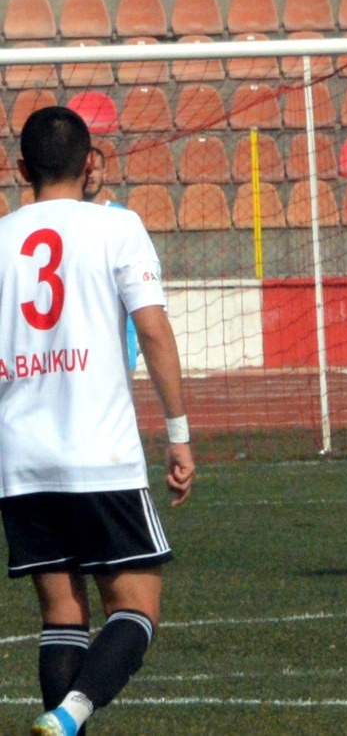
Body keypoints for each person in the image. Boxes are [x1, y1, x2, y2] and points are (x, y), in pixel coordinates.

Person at [0, 107, 194, 736]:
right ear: (91, 164)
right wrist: (179, 433)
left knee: (62, 613)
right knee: (136, 605)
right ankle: (71, 712)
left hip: (21, 457)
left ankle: (65, 722)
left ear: (21, 168)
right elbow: (153, 329)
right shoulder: (118, 227)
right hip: (99, 452)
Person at [83, 148, 140, 374]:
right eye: (85, 170)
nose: (90, 175)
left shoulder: (123, 219)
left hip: (119, 340)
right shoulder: (66, 218)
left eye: (95, 169)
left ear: (105, 173)